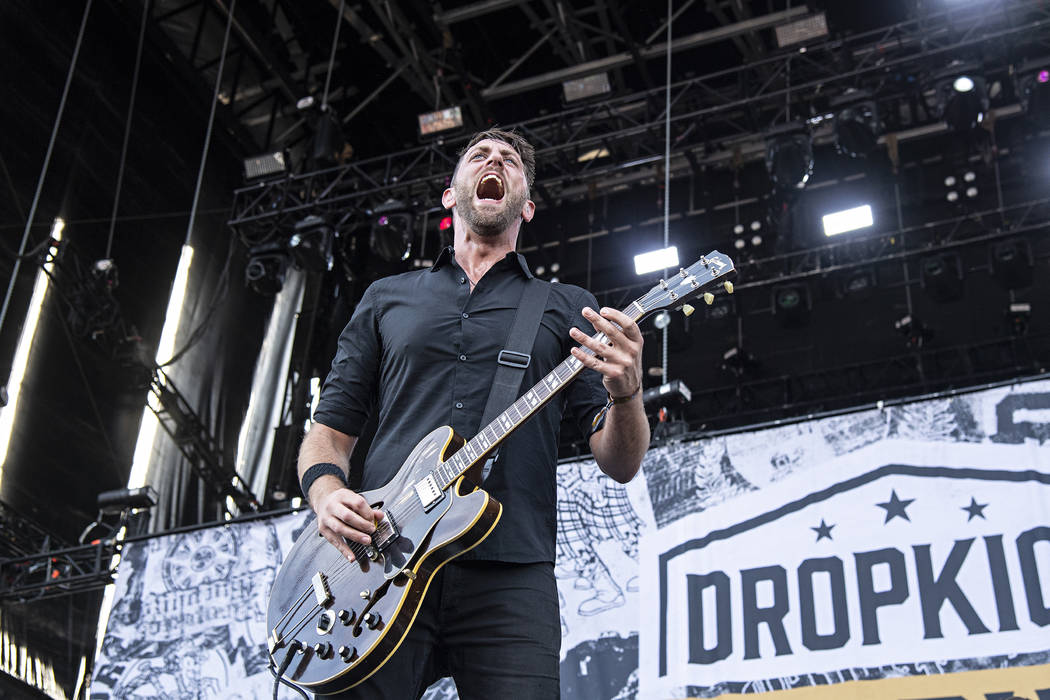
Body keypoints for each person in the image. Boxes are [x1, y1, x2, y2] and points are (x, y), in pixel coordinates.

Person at [297, 128, 650, 699]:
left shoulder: (566, 307)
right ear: (450, 194)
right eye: (480, 156)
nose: (495, 162)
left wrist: (628, 395)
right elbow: (329, 433)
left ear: (526, 205)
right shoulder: (387, 297)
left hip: (510, 572)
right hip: (379, 563)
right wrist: (326, 496)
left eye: (510, 161)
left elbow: (619, 461)